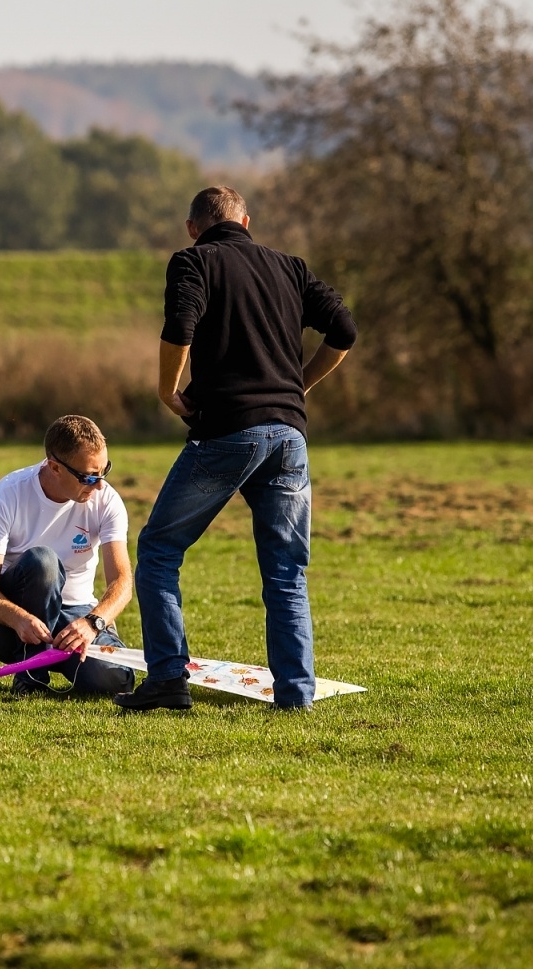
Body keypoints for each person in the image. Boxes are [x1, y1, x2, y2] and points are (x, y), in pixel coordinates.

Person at [116, 186, 358, 712]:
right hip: (289, 435)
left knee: (158, 551)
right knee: (285, 572)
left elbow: (180, 326)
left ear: (192, 227)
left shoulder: (193, 262)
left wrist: (166, 391)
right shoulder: (290, 267)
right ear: (247, 221)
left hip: (226, 430)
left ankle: (166, 681)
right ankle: (296, 697)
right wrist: (298, 386)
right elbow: (344, 329)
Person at [0, 415, 136, 696]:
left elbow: (122, 582)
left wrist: (94, 623)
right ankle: (30, 673)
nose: (99, 485)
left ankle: (63, 660)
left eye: (104, 470)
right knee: (43, 562)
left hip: (76, 614)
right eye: (88, 476)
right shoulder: (8, 494)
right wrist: (19, 618)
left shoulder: (106, 500)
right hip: (7, 623)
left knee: (116, 680)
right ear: (55, 467)